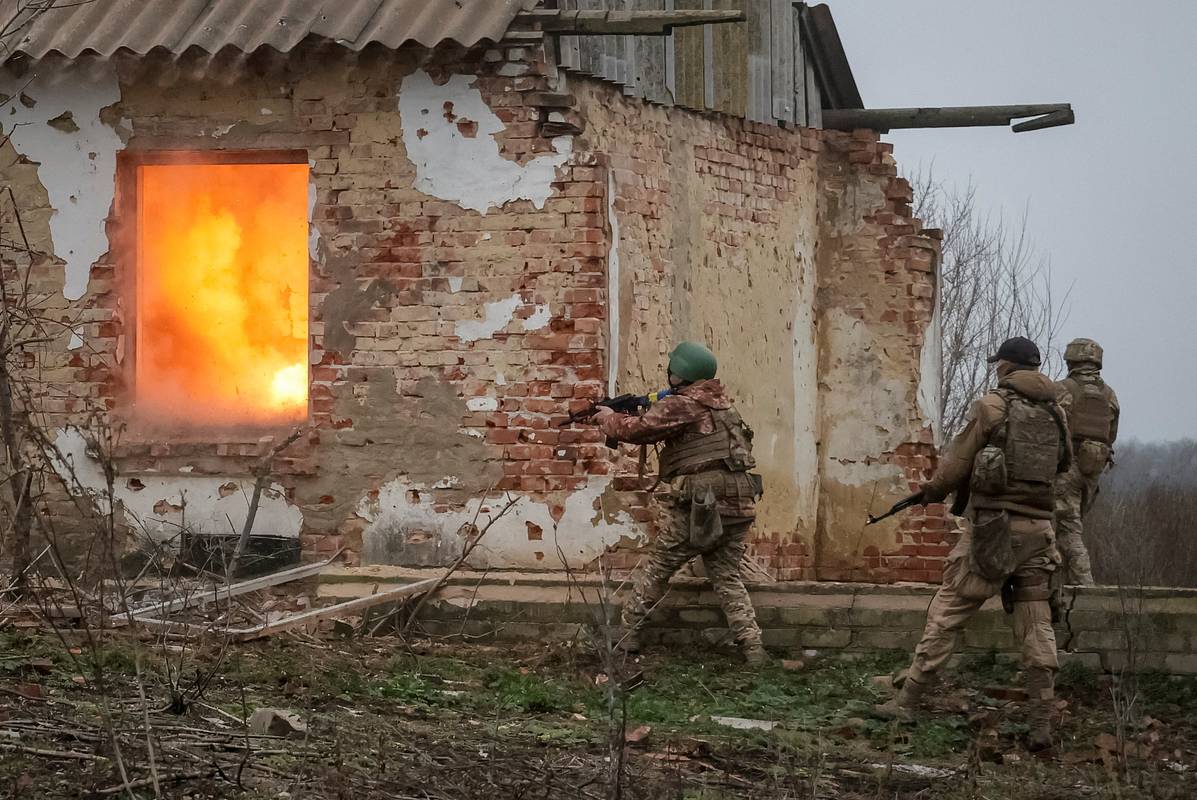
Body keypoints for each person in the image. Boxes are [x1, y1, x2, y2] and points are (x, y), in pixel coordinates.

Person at [874, 336, 1071, 752]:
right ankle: (1041, 725)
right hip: (1039, 532)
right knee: (1037, 627)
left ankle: (907, 701)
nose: (996, 367)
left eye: (998, 362)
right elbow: (1065, 464)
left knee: (947, 613)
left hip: (992, 530)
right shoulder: (1056, 412)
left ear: (1006, 366)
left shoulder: (992, 406)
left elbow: (957, 465)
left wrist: (931, 491)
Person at [593, 341, 767, 666]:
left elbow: (639, 430)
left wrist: (608, 418)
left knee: (658, 567)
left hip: (702, 507)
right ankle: (753, 648)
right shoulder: (723, 407)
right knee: (726, 576)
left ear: (680, 373)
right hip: (738, 505)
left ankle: (626, 639)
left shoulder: (683, 404)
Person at [1054, 338, 1119, 585]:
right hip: (1094, 470)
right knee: (1072, 526)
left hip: (1067, 469)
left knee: (1067, 530)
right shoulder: (1109, 395)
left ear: (1071, 360)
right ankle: (1067, 585)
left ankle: (1085, 587)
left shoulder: (1062, 389)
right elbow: (1111, 435)